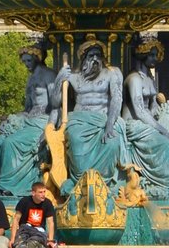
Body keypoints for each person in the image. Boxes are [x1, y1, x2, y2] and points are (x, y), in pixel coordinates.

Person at [54, 40, 127, 194]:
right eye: (91, 55)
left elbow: (117, 99)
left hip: (103, 119)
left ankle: (103, 184)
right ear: (84, 58)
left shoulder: (112, 73)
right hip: (80, 120)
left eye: (98, 55)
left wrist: (109, 124)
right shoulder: (72, 76)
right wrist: (59, 79)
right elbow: (55, 102)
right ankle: (81, 182)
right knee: (74, 139)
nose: (95, 59)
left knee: (112, 142)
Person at [122, 39, 169, 198]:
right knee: (163, 141)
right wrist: (162, 129)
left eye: (155, 55)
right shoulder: (134, 79)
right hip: (133, 124)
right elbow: (139, 110)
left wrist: (165, 115)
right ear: (142, 56)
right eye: (151, 55)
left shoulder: (149, 79)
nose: (154, 59)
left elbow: (152, 109)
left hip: (147, 123)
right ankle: (167, 183)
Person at [0, 45, 59, 196]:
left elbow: (57, 106)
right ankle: (8, 182)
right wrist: (12, 119)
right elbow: (27, 108)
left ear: (38, 58)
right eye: (24, 61)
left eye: (29, 60)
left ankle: (8, 186)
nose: (26, 64)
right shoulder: (31, 78)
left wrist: (49, 129)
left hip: (43, 121)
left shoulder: (49, 75)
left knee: (11, 143)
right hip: (29, 119)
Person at [10, 182, 57, 248]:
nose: (43, 194)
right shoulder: (24, 201)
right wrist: (12, 238)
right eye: (40, 192)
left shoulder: (47, 203)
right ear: (33, 193)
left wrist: (50, 240)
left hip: (38, 233)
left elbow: (50, 223)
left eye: (44, 192)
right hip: (24, 231)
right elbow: (16, 220)